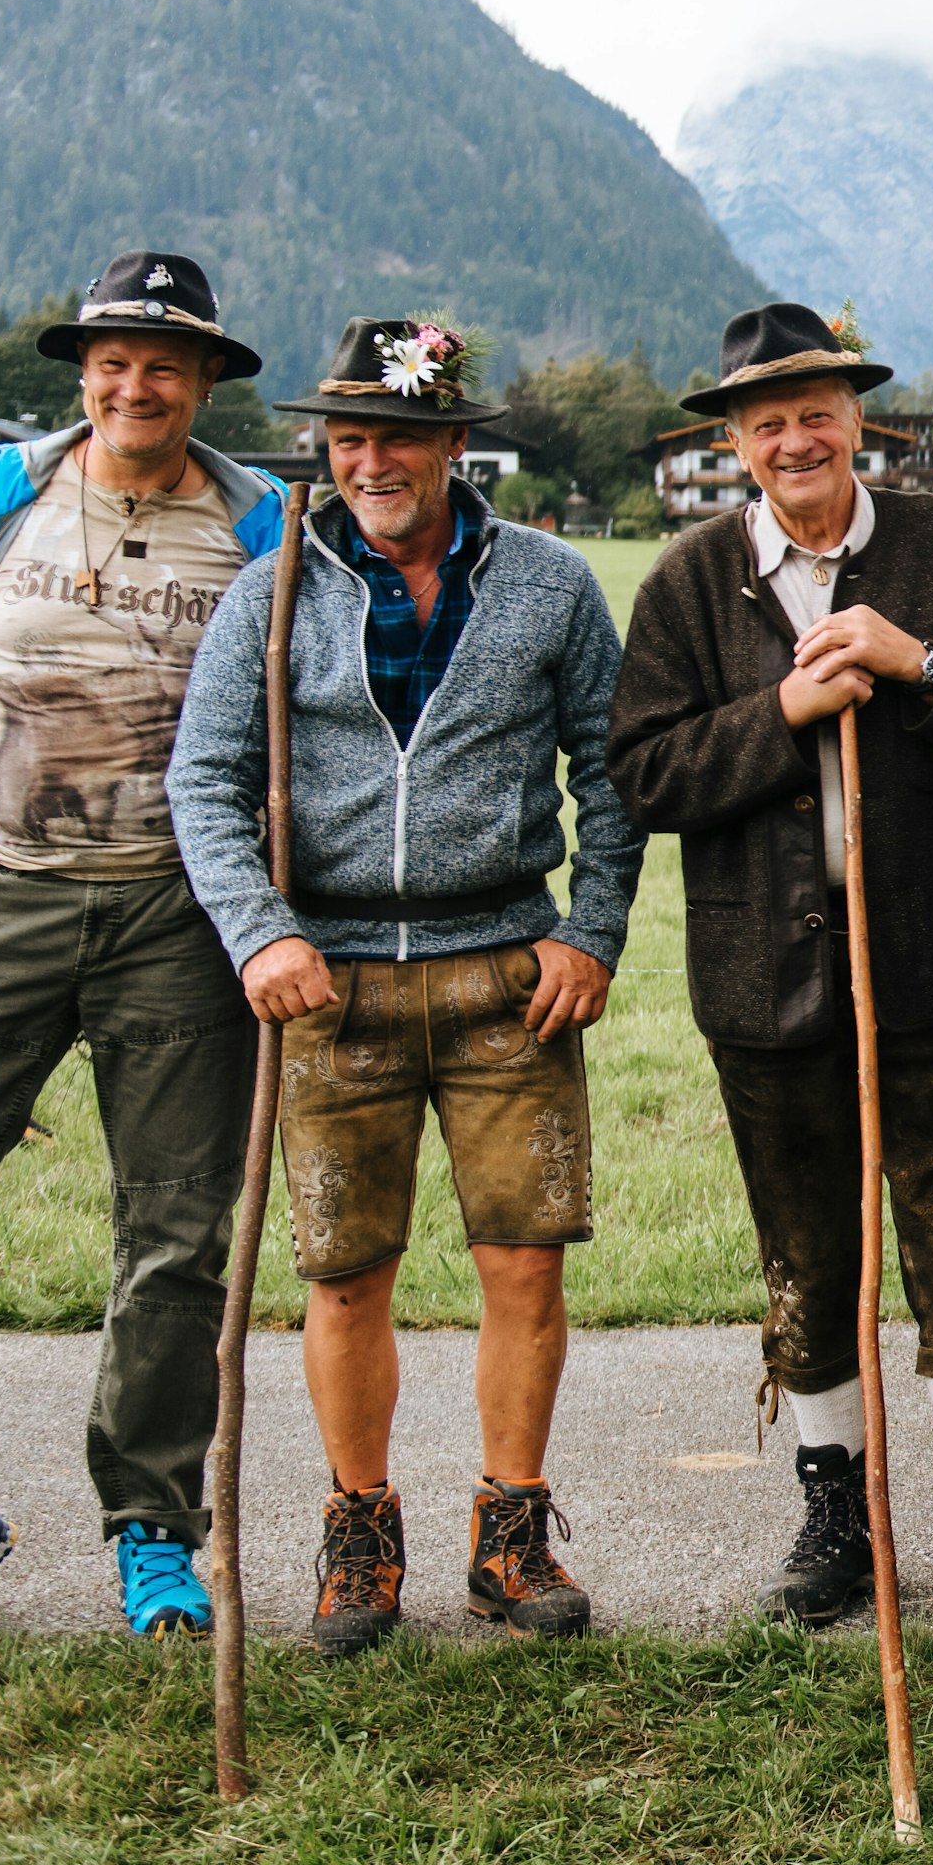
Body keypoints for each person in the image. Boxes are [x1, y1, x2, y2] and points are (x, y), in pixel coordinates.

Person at [173, 318, 644, 1654]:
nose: (370, 458)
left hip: (507, 977)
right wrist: (260, 932)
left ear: (452, 444)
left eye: (399, 434)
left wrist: (591, 934)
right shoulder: (266, 593)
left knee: (526, 1269)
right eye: (349, 435)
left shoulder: (550, 586)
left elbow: (612, 781)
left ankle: (510, 1536)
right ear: (326, 448)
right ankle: (360, 1534)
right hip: (327, 987)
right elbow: (204, 783)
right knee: (343, 1277)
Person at [0, 251, 286, 1643]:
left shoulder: (264, 524)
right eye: (109, 360)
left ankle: (153, 1524)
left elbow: (299, 708)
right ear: (81, 374)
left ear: (204, 380)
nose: (131, 383)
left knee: (174, 1236)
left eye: (162, 362)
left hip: (180, 913)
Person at [604, 303, 933, 1638]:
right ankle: (837, 1517)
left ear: (862, 424)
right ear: (734, 440)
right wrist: (782, 714)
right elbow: (645, 773)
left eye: (819, 412)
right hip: (767, 987)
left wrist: (912, 665)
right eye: (768, 419)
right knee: (805, 1260)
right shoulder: (689, 584)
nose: (797, 438)